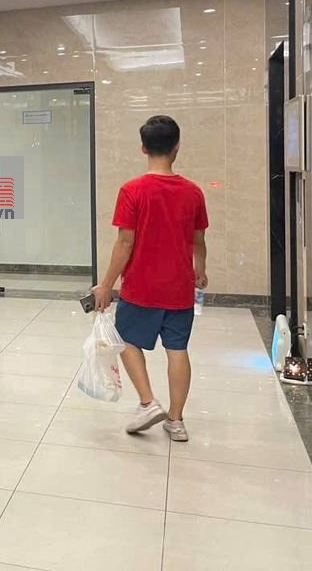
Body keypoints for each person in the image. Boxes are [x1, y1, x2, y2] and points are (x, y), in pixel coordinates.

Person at [92, 115, 208, 443]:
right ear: (177, 147)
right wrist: (200, 270)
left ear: (143, 147)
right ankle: (176, 421)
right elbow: (199, 240)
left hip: (141, 286)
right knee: (178, 349)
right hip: (179, 288)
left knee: (124, 339)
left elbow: (125, 242)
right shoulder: (193, 192)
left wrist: (106, 284)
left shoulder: (132, 190)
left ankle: (147, 402)